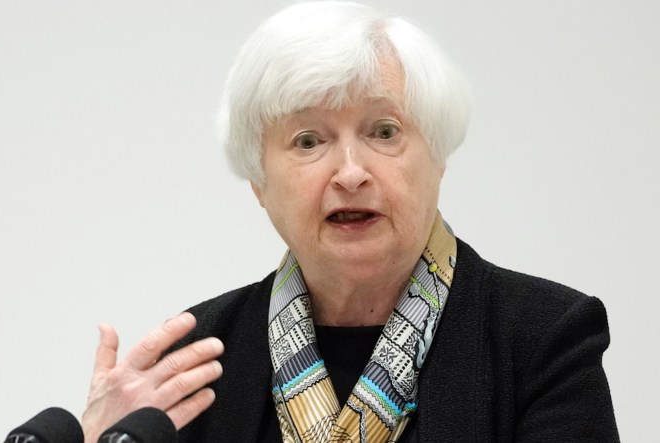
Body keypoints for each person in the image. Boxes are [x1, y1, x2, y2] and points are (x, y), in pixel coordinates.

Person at [81, 2, 619, 442]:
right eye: (308, 141)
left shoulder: (545, 339)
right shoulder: (196, 364)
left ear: (438, 157)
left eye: (384, 131)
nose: (351, 172)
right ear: (258, 184)